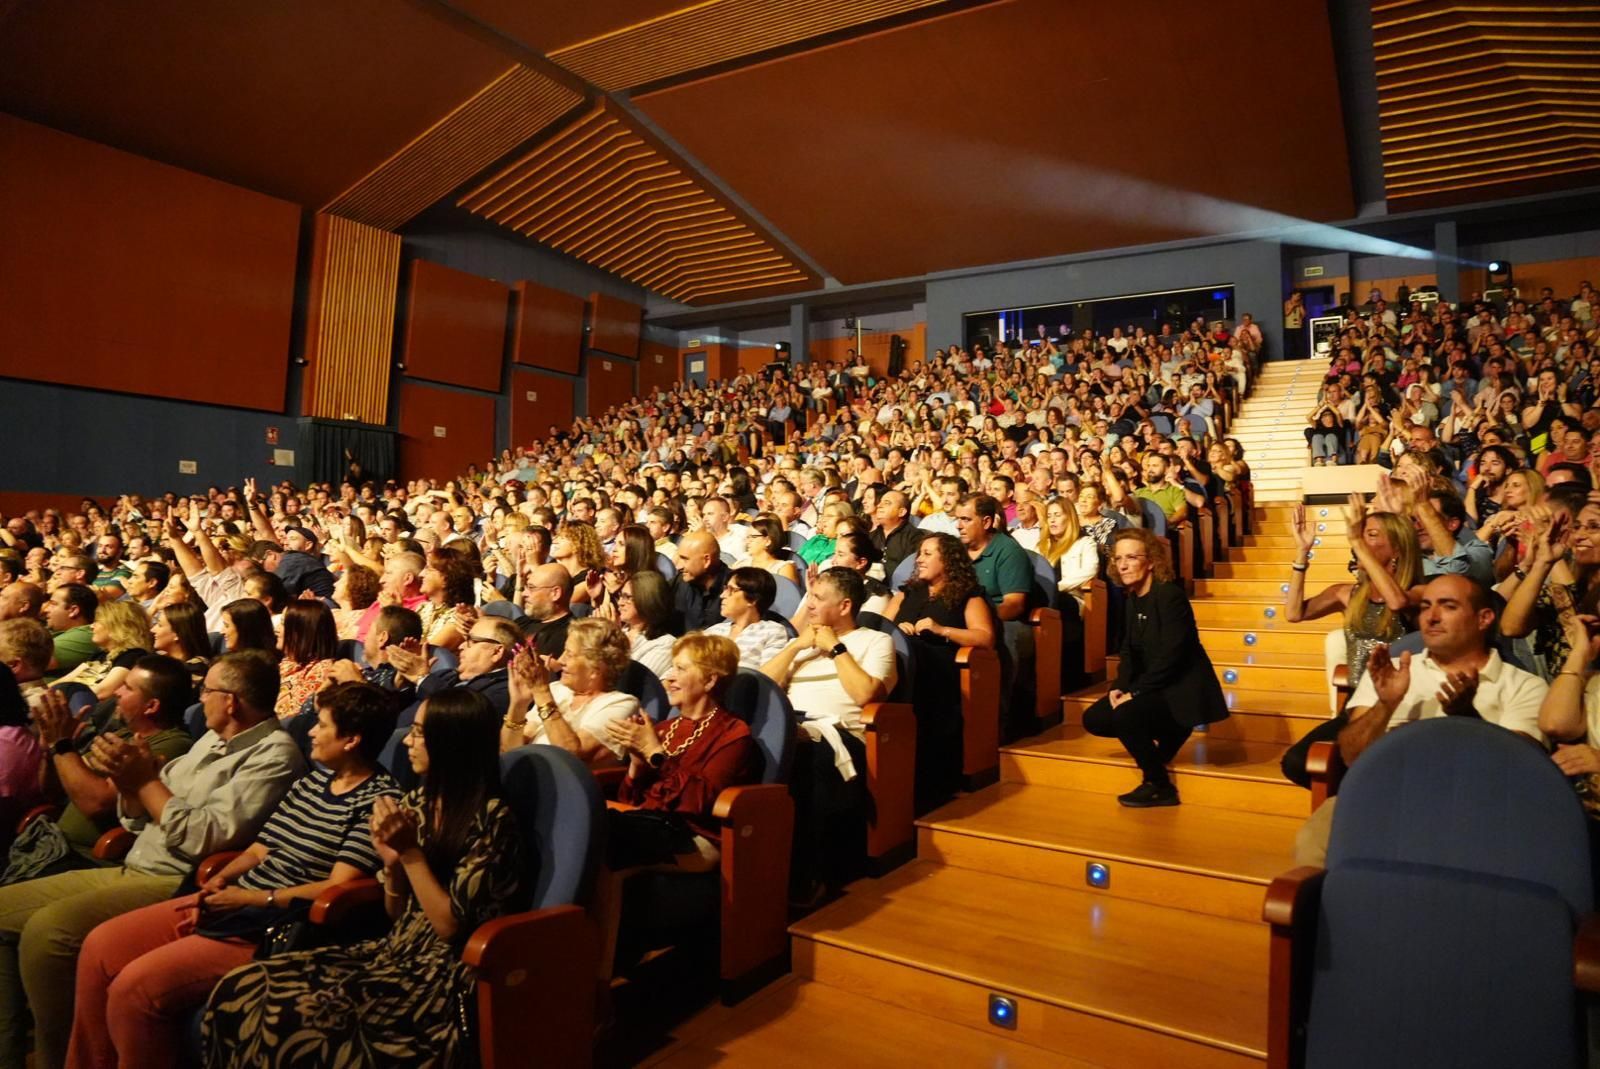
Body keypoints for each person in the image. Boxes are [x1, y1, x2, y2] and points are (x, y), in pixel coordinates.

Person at [67, 682, 399, 1069]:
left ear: (351, 739)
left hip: (275, 924)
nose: (309, 730)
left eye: (321, 725)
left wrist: (248, 899)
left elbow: (337, 886)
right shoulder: (314, 781)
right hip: (236, 901)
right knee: (99, 947)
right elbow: (260, 848)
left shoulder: (375, 800)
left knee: (134, 989)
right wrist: (220, 879)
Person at [0, 650, 304, 1069]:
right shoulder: (211, 741)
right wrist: (130, 783)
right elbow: (139, 813)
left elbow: (205, 837)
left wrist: (144, 781)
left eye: (208, 690)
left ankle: (56, 1058)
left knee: (47, 932)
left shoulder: (274, 754)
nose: (201, 699)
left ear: (230, 701)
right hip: (134, 862)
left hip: (176, 879)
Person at [200, 687, 526, 1068]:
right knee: (240, 989)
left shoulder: (492, 820)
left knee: (296, 1022)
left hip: (440, 976)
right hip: (393, 951)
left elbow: (449, 928)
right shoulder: (417, 803)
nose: (408, 740)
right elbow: (395, 914)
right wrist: (390, 866)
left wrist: (408, 854)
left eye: (420, 733)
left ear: (451, 741)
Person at [1295, 575, 1549, 865]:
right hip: (1381, 797)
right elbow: (1352, 755)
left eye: (1448, 606)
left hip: (1469, 814)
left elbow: (1518, 774)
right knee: (1313, 844)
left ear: (1484, 618)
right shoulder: (1393, 671)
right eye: (1426, 606)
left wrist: (1467, 719)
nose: (1432, 617)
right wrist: (1386, 705)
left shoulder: (1523, 686)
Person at [591, 633, 759, 978]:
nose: (667, 676)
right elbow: (631, 801)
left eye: (680, 669)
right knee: (588, 835)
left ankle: (597, 984)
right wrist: (638, 765)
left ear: (711, 679)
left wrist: (655, 754)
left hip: (697, 837)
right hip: (651, 825)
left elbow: (700, 801)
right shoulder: (665, 728)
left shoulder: (733, 734)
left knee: (605, 848)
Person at [762, 568, 896, 894]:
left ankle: (809, 877)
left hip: (839, 735)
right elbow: (763, 687)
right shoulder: (801, 643)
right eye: (809, 597)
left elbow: (867, 694)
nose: (809, 606)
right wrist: (795, 648)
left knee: (804, 755)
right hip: (790, 725)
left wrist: (836, 649)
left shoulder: (876, 641)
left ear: (845, 606)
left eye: (818, 599)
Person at [1082, 528, 1229, 807]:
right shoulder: (1133, 597)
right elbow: (1128, 651)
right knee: (1096, 719)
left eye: (1131, 557)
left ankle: (1159, 785)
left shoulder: (1169, 595)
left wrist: (1135, 694)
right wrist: (1120, 686)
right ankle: (1169, 732)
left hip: (1180, 687)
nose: (1122, 565)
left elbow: (1173, 656)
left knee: (1126, 715)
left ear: (1150, 561)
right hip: (1152, 685)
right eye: (1117, 558)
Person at [14, 658, 195, 884]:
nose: (117, 692)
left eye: (128, 687)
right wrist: (50, 751)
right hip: (51, 840)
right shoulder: (122, 735)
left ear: (152, 706)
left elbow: (97, 804)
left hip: (85, 859)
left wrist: (61, 745)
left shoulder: (170, 745)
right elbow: (53, 792)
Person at [883, 534, 997, 808]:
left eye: (927, 554)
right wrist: (898, 631)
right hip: (903, 660)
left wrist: (941, 630)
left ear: (947, 560)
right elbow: (879, 627)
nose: (919, 559)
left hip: (941, 667)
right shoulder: (906, 593)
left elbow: (984, 637)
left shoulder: (967, 595)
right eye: (919, 553)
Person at [501, 618, 639, 765]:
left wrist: (541, 692)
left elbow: (571, 756)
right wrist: (518, 705)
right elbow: (509, 750)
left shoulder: (621, 705)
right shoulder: (557, 690)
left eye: (569, 654)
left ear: (595, 669)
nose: (561, 661)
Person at [51, 601, 152, 701]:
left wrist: (56, 698)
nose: (91, 626)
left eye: (97, 621)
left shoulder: (133, 655)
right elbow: (66, 679)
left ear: (116, 626)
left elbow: (103, 691)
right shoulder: (100, 655)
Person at [705, 567, 792, 670]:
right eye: (725, 589)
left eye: (731, 590)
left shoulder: (772, 631)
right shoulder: (714, 631)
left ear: (753, 599)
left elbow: (769, 678)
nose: (722, 595)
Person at [273, 600, 339, 720]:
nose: (276, 629)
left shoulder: (322, 670)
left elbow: (296, 715)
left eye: (283, 624)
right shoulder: (287, 663)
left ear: (300, 632)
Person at [617, 569, 676, 679]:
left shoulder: (665, 644)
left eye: (627, 597)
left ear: (647, 600)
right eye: (620, 596)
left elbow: (634, 683)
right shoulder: (621, 631)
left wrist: (612, 642)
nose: (620, 603)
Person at [671, 531, 730, 633]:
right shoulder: (678, 582)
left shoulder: (735, 589)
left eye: (685, 559)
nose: (678, 566)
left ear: (706, 560)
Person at [42, 584, 98, 682]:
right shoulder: (54, 629)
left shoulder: (86, 635)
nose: (46, 609)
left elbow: (25, 662)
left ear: (73, 610)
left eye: (53, 604)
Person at [149, 602, 211, 682]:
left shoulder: (196, 668)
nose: (152, 630)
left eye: (160, 625)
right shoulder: (156, 658)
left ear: (177, 633)